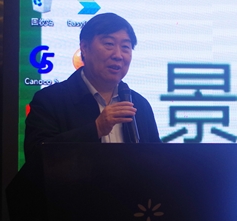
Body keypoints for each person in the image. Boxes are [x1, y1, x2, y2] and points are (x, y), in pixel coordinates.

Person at [24, 13, 160, 162]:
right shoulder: (50, 100)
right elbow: (36, 157)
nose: (118, 55)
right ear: (84, 48)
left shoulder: (139, 105)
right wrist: (96, 129)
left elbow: (156, 161)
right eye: (109, 44)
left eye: (125, 47)